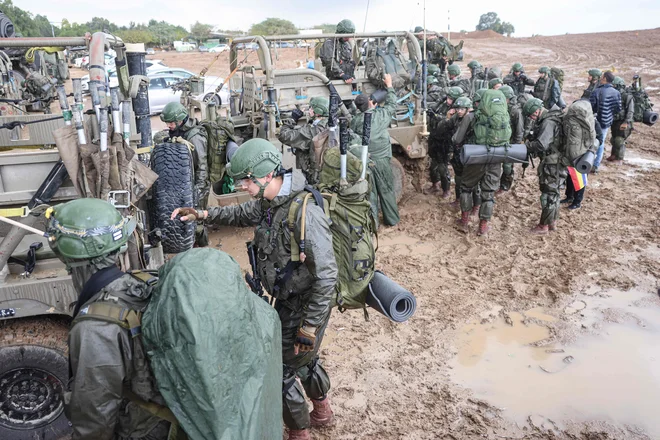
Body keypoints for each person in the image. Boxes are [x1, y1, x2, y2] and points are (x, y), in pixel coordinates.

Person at [172, 139, 338, 440]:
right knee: (304, 359)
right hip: (287, 298)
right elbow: (241, 214)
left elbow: (327, 276)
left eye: (246, 181)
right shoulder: (270, 202)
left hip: (305, 305)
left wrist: (310, 326)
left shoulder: (305, 214)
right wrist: (203, 215)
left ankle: (299, 431)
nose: (244, 186)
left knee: (282, 369)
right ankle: (322, 410)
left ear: (264, 176)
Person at [46, 198, 172, 440]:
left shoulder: (96, 326)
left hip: (144, 430)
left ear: (65, 255)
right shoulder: (144, 280)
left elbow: (94, 420)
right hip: (173, 417)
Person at [351, 73, 400, 226]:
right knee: (386, 190)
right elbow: (392, 104)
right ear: (371, 103)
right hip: (382, 160)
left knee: (370, 194)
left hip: (367, 161)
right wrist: (389, 85)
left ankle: (373, 226)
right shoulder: (381, 115)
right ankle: (392, 220)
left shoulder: (356, 121)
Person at [160, 101, 210, 246]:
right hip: (186, 182)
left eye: (171, 123)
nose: (168, 126)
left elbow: (202, 166)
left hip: (198, 184)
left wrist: (198, 191)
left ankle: (203, 247)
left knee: (198, 220)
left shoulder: (195, 137)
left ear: (180, 120)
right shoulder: (179, 132)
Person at [455, 96, 501, 235]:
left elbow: (457, 139)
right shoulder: (501, 117)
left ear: (475, 103)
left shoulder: (470, 117)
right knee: (488, 194)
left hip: (475, 157)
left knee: (466, 188)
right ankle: (483, 227)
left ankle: (464, 221)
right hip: (494, 158)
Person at [522, 97, 566, 234]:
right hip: (556, 161)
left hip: (552, 163)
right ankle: (552, 222)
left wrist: (526, 146)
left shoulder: (548, 122)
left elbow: (542, 144)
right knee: (554, 193)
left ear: (536, 111)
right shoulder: (552, 117)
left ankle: (543, 226)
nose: (531, 118)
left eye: (531, 115)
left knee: (548, 195)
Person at [278, 97, 329, 184]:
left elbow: (284, 135)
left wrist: (292, 119)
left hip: (313, 178)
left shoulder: (311, 132)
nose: (309, 110)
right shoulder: (332, 125)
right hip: (327, 174)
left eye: (311, 108)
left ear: (317, 111)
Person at [426, 86, 464, 198]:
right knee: (433, 164)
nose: (448, 100)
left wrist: (436, 116)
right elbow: (432, 108)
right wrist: (440, 100)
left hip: (445, 141)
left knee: (442, 167)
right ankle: (435, 184)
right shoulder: (444, 104)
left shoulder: (457, 111)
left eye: (451, 99)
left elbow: (447, 122)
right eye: (448, 98)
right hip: (434, 137)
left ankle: (446, 189)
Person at [451, 96, 481, 213]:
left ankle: (476, 206)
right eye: (458, 109)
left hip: (470, 153)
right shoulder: (456, 119)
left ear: (468, 109)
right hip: (459, 153)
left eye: (462, 109)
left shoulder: (472, 120)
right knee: (458, 179)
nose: (459, 111)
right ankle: (458, 199)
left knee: (473, 183)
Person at [590, 70, 622, 173]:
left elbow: (591, 107)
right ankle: (596, 165)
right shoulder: (616, 92)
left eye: (602, 77)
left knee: (593, 141)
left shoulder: (597, 91)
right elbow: (618, 108)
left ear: (604, 79)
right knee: (601, 142)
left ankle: (591, 163)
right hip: (607, 122)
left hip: (596, 121)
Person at [498, 85, 524, 194]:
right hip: (500, 139)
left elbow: (519, 130)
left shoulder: (516, 111)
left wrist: (515, 146)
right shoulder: (500, 107)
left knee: (508, 166)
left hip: (511, 142)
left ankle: (505, 185)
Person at [608, 76, 634, 164]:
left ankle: (619, 158)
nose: (613, 87)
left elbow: (630, 111)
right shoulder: (614, 94)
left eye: (614, 85)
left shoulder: (627, 96)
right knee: (614, 139)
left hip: (623, 121)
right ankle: (614, 155)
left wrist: (626, 122)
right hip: (615, 120)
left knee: (620, 140)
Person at [320, 19, 356, 84]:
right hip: (335, 81)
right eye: (346, 36)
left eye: (349, 36)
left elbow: (349, 62)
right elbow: (329, 61)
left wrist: (352, 77)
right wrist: (341, 74)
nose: (348, 38)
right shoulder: (329, 43)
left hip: (348, 79)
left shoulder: (346, 44)